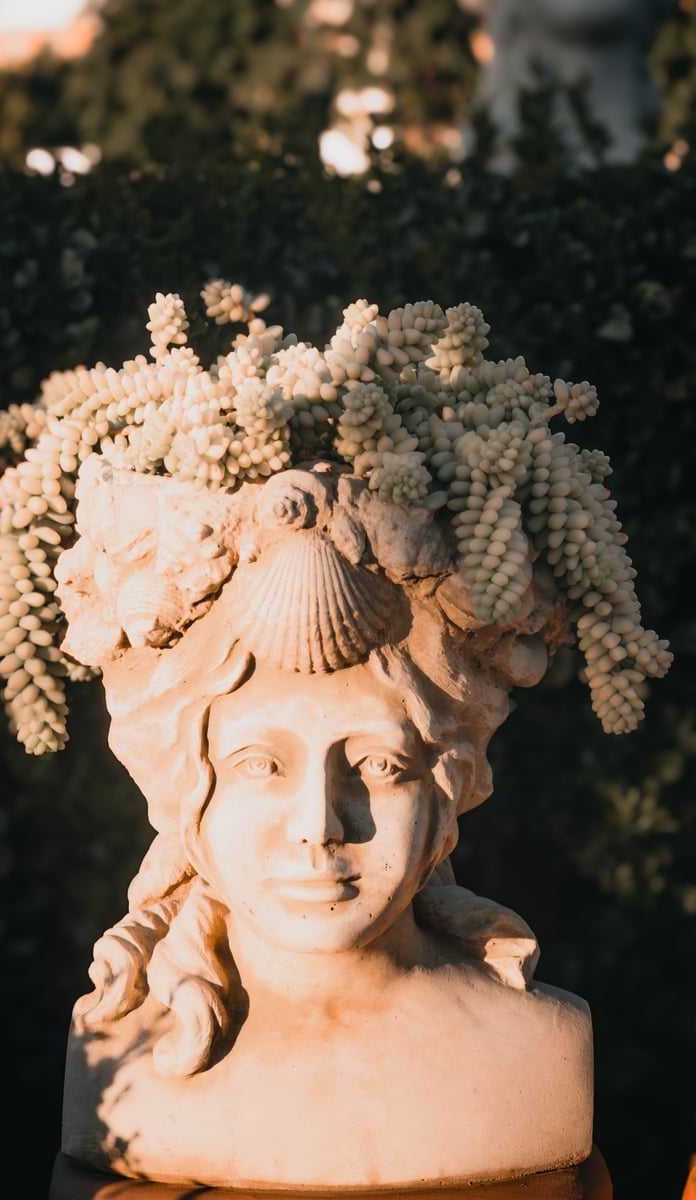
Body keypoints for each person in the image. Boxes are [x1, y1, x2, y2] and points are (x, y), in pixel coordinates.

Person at [55, 457, 593, 1190]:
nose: (320, 827)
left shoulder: (539, 1054)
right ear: (188, 802)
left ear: (446, 795)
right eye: (258, 765)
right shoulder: (116, 1062)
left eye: (376, 765)